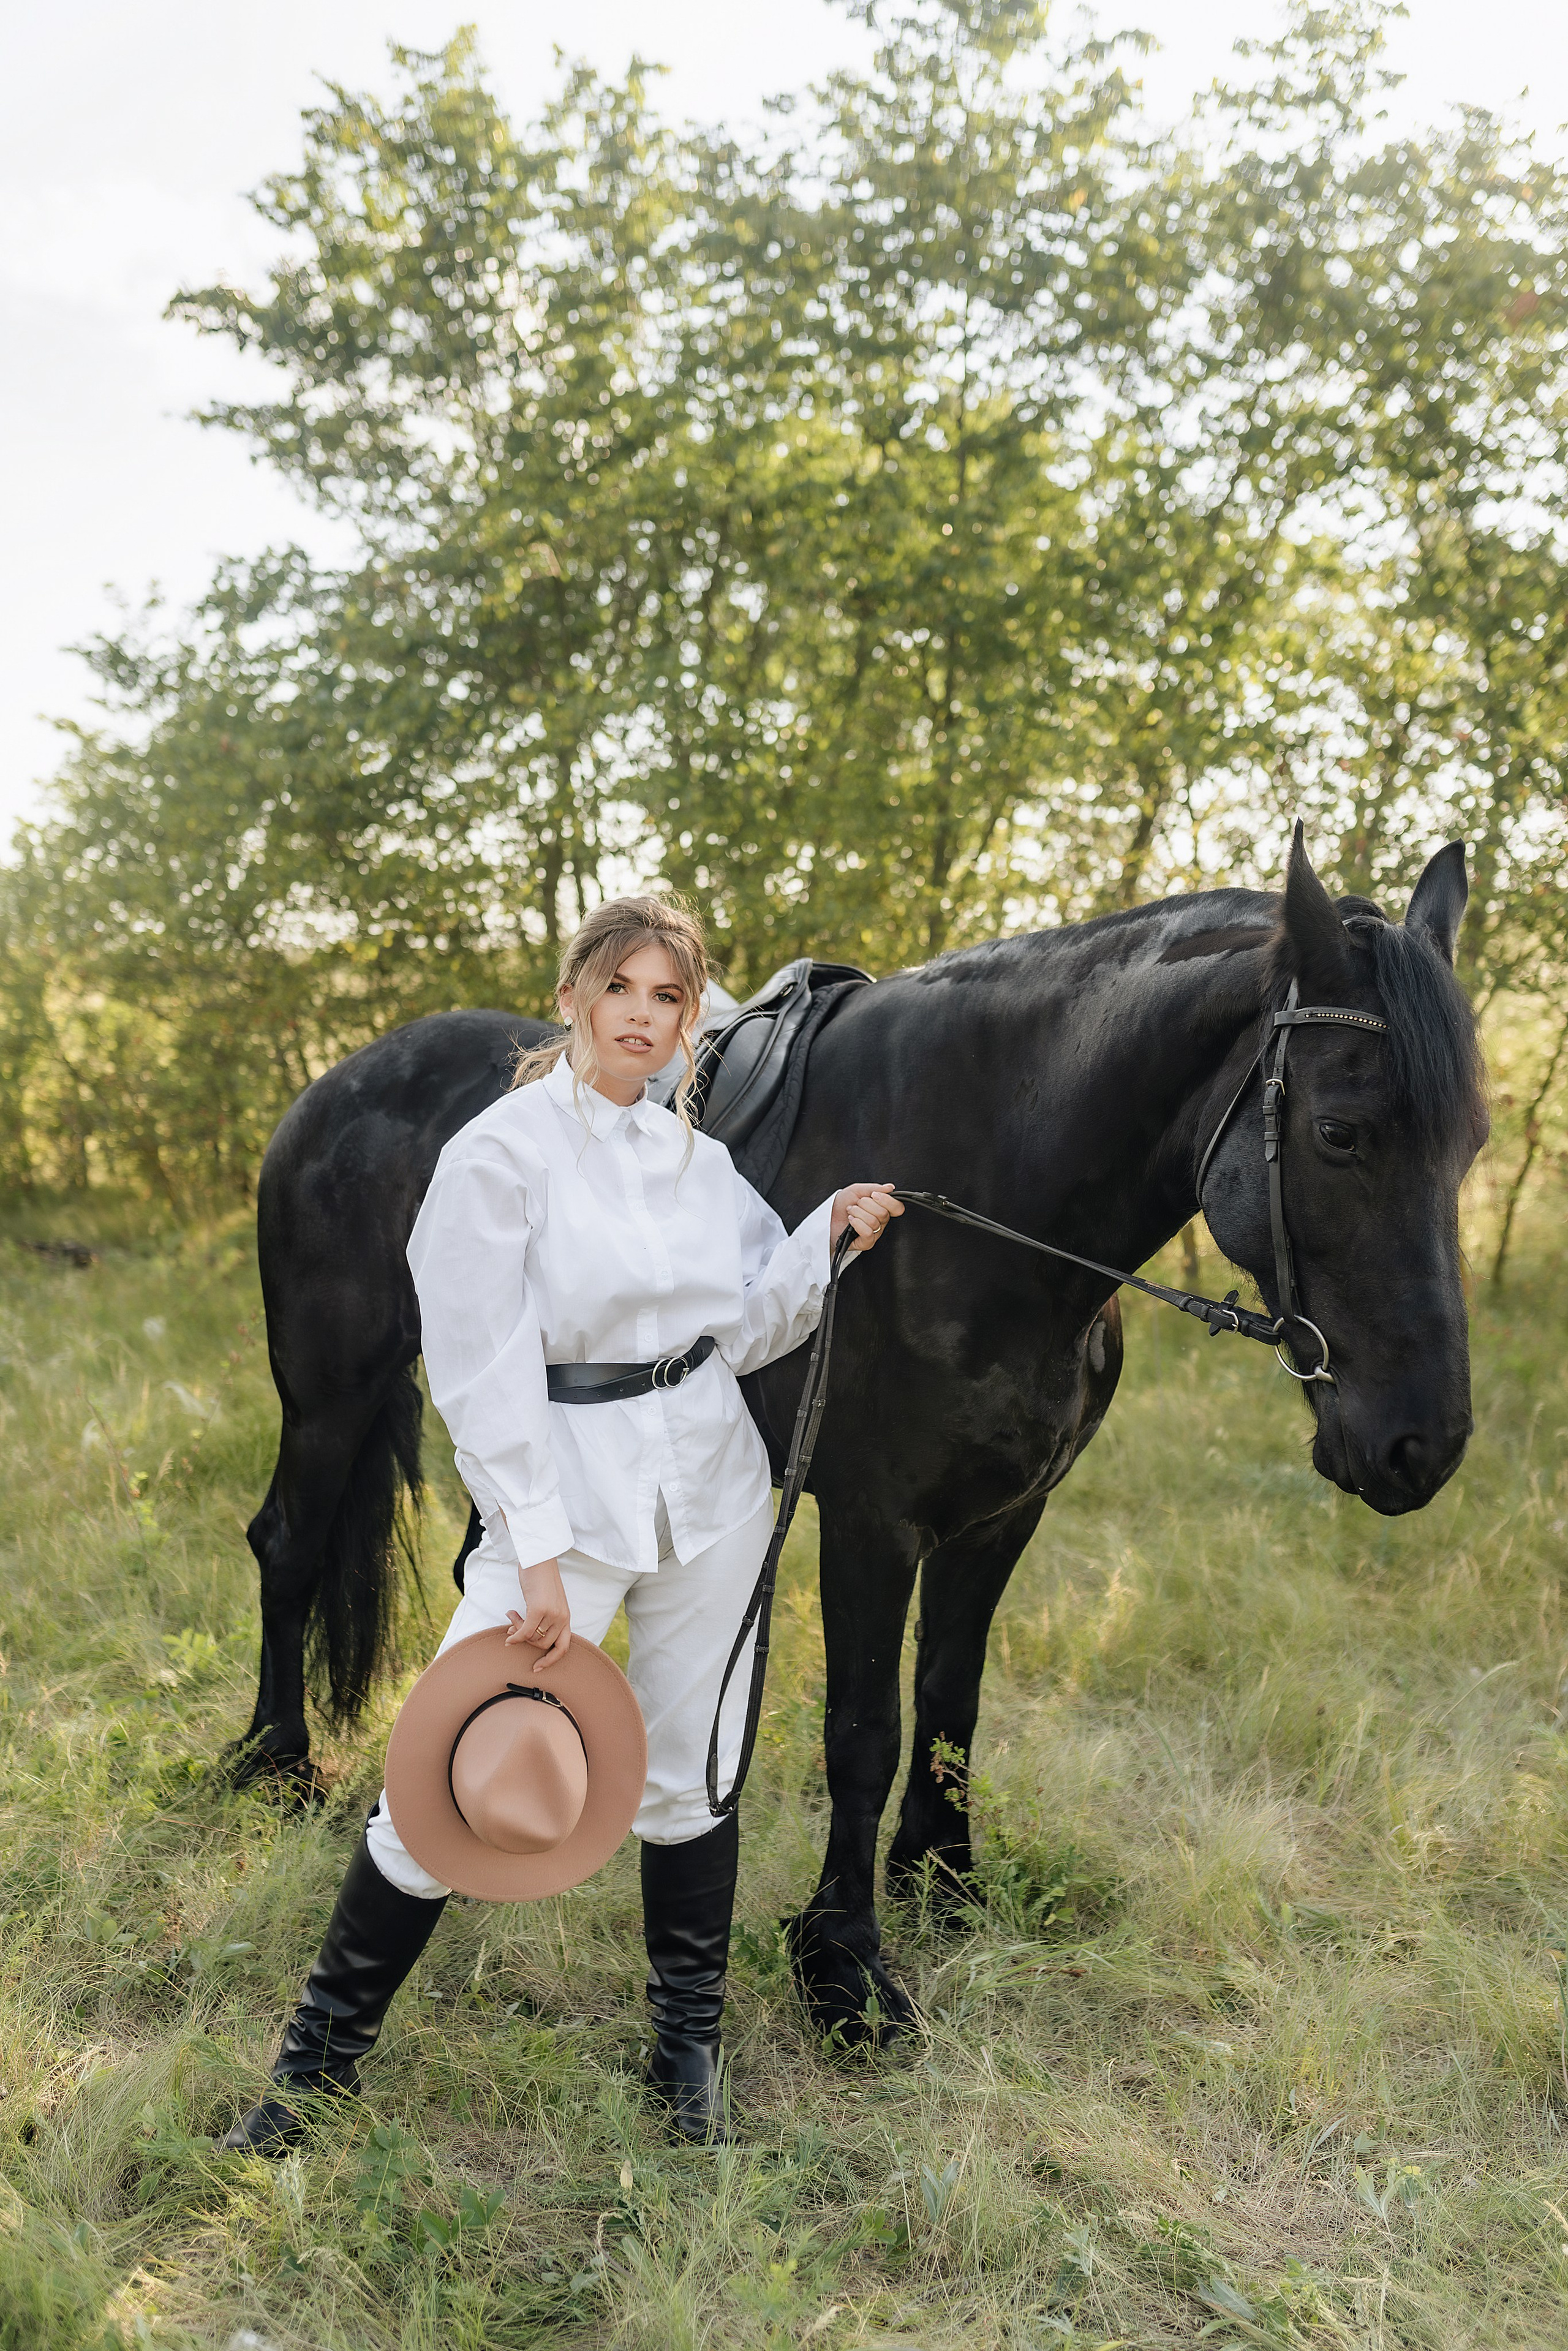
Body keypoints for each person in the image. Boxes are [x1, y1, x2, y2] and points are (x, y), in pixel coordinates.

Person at [222, 895, 900, 2153]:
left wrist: (821, 1238)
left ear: (690, 1020)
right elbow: (478, 1367)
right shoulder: (501, 1152)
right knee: (438, 1779)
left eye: (667, 999)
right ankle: (309, 2074)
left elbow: (745, 1323)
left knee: (694, 1772)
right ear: (578, 995)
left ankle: (683, 2048)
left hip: (709, 1485)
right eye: (622, 990)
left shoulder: (697, 1163)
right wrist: (529, 1547)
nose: (641, 1017)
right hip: (565, 1495)